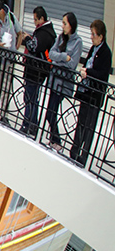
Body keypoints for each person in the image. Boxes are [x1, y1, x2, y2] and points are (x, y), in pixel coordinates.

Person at [70, 20, 111, 167]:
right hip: (86, 92)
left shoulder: (105, 52)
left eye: (94, 34)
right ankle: (74, 151)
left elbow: (102, 74)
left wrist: (88, 73)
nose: (92, 37)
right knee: (81, 122)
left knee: (89, 126)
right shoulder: (93, 49)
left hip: (94, 94)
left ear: (101, 36)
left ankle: (83, 155)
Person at [45, 13, 82, 152]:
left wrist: (61, 60)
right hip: (54, 80)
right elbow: (52, 54)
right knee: (50, 111)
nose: (62, 26)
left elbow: (72, 64)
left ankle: (56, 140)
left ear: (71, 25)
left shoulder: (78, 42)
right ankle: (54, 139)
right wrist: (63, 57)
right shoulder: (60, 38)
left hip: (64, 83)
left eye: (65, 23)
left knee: (51, 112)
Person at [18, 6, 56, 137]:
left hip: (36, 71)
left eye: (35, 19)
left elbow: (35, 47)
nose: (34, 22)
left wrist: (27, 39)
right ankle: (30, 123)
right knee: (31, 97)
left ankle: (29, 124)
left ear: (42, 19)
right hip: (35, 71)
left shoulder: (45, 33)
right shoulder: (45, 31)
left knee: (31, 98)